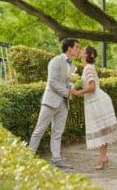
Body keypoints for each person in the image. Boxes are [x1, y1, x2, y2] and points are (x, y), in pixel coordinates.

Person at [69, 45, 117, 170]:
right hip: (93, 102)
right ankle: (103, 157)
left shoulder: (88, 68)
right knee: (104, 128)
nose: (80, 51)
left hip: (97, 101)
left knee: (107, 126)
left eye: (83, 50)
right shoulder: (86, 68)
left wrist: (77, 93)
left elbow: (92, 87)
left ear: (87, 55)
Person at [29, 38, 79, 169]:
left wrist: (72, 85)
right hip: (51, 101)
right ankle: (28, 157)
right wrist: (68, 93)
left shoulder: (72, 64)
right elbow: (53, 81)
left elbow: (67, 80)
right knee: (39, 130)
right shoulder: (55, 61)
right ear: (69, 48)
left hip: (63, 104)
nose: (78, 50)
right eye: (76, 47)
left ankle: (56, 159)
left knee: (57, 132)